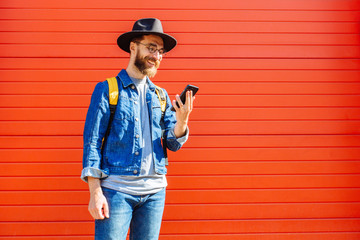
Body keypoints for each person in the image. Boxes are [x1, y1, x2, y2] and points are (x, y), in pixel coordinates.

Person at [81, 18, 195, 240]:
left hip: (155, 193)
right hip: (116, 192)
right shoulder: (108, 89)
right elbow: (92, 142)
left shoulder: (160, 95)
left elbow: (172, 143)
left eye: (160, 51)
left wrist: (182, 121)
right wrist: (95, 192)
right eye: (151, 48)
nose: (157, 56)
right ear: (133, 47)